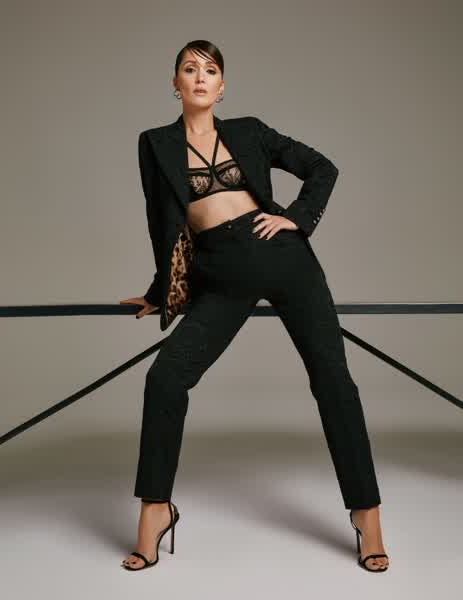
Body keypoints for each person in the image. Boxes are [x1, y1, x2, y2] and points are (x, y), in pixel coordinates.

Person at [120, 40, 389, 573]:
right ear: (175, 83)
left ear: (222, 87)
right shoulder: (155, 144)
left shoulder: (249, 131)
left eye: (210, 70)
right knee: (165, 378)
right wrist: (160, 290)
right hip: (220, 274)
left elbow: (322, 168)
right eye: (189, 69)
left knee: (333, 382)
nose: (200, 77)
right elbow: (162, 223)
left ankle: (368, 516)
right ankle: (155, 512)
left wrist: (297, 218)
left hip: (285, 259)